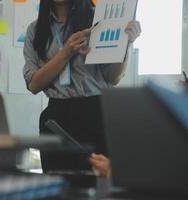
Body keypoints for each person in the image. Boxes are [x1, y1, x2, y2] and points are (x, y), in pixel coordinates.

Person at [23, 0, 141, 178]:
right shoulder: (36, 29)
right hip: (56, 117)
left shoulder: (98, 21)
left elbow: (113, 78)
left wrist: (126, 43)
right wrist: (66, 52)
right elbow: (34, 84)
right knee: (58, 185)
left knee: (98, 183)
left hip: (94, 113)